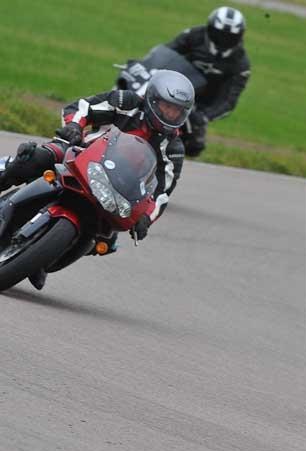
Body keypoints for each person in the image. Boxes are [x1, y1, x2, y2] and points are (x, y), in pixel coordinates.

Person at [0, 70, 194, 289]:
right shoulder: (127, 102)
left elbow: (162, 193)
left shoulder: (173, 148)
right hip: (81, 153)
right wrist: (74, 126)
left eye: (176, 111)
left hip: (117, 188)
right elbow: (83, 107)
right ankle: (6, 175)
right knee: (36, 158)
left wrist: (146, 218)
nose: (170, 114)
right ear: (152, 99)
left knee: (105, 241)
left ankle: (41, 259)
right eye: (166, 107)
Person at [164, 6, 250, 156]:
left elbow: (229, 100)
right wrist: (145, 66)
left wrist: (205, 116)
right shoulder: (194, 35)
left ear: (239, 37)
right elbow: (167, 52)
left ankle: (171, 167)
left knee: (194, 146)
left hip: (200, 106)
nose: (223, 40)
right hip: (173, 90)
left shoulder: (240, 63)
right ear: (210, 29)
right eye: (220, 35)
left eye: (229, 37)